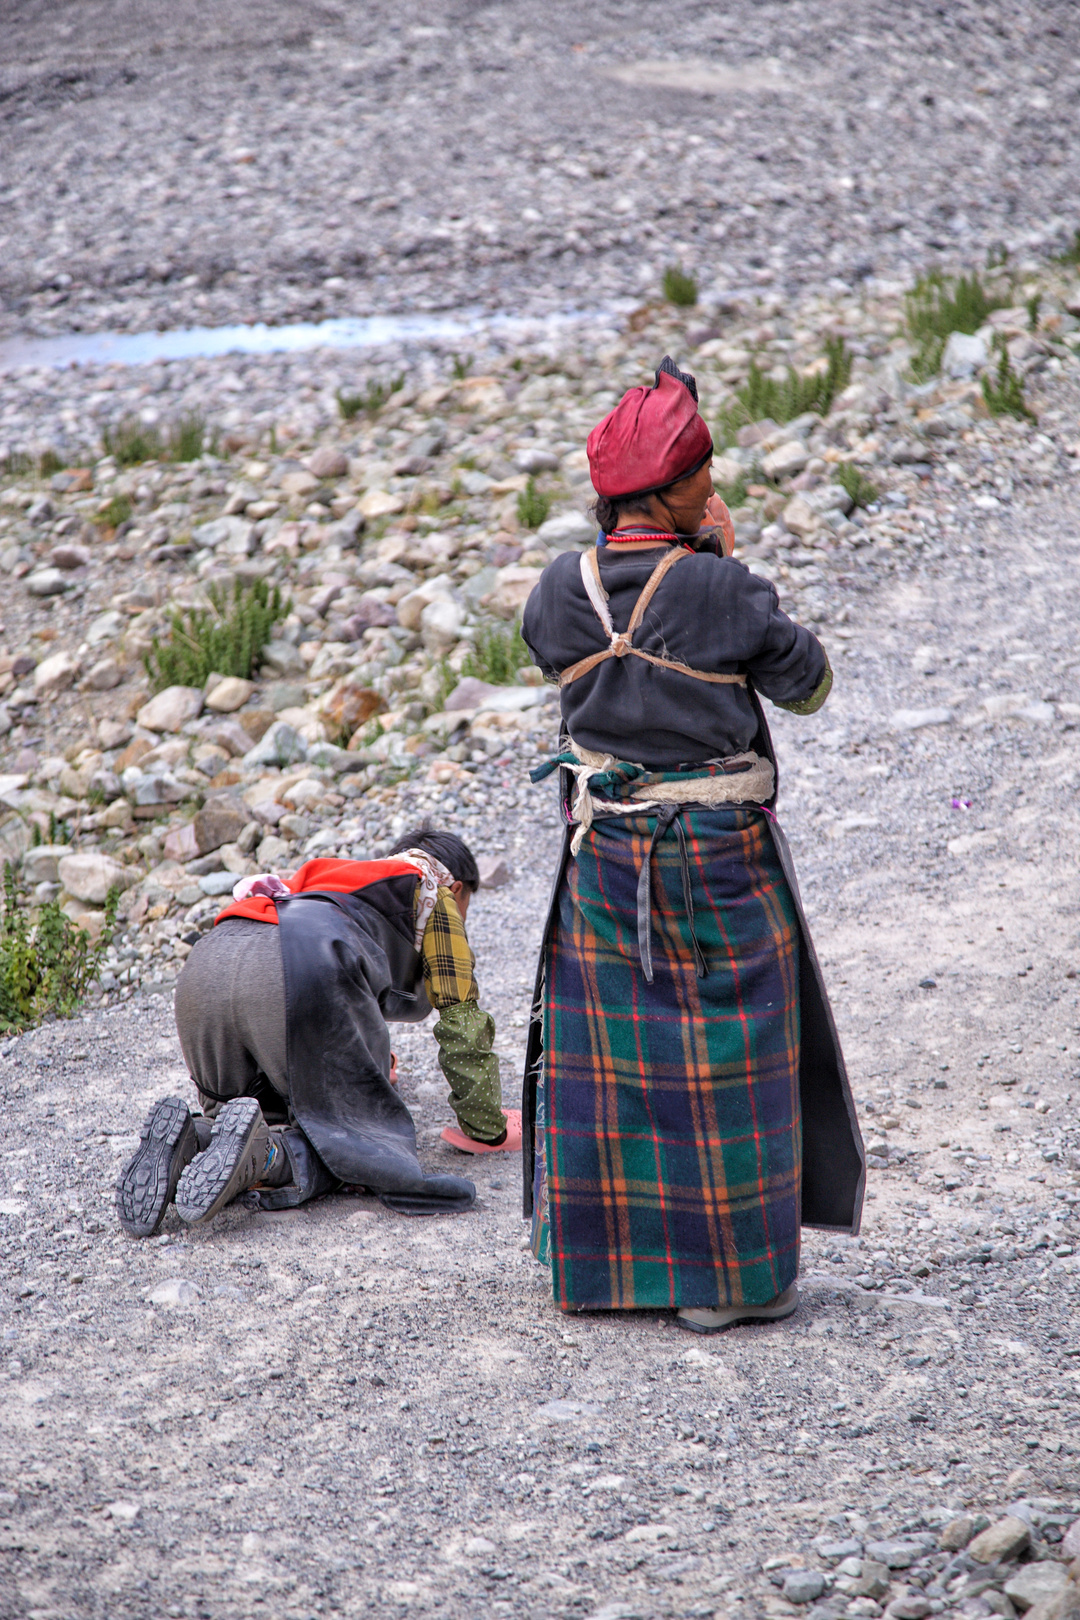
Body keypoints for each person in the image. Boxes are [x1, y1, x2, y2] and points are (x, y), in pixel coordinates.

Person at [519, 356, 865, 1334]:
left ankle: (605, 1271)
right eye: (704, 476)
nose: (714, 488)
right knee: (730, 1051)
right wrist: (726, 562)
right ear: (671, 493)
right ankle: (733, 1283)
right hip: (716, 858)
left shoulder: (556, 590)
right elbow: (810, 686)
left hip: (605, 860)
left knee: (617, 1063)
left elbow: (573, 675)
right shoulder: (721, 590)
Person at [116, 828, 521, 1237]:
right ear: (458, 888)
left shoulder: (333, 879)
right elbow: (461, 1020)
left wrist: (367, 1062)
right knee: (353, 1147)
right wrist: (487, 1125)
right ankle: (267, 1156)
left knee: (246, 1114)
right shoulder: (433, 888)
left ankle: (190, 1142)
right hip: (296, 971)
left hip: (208, 969)